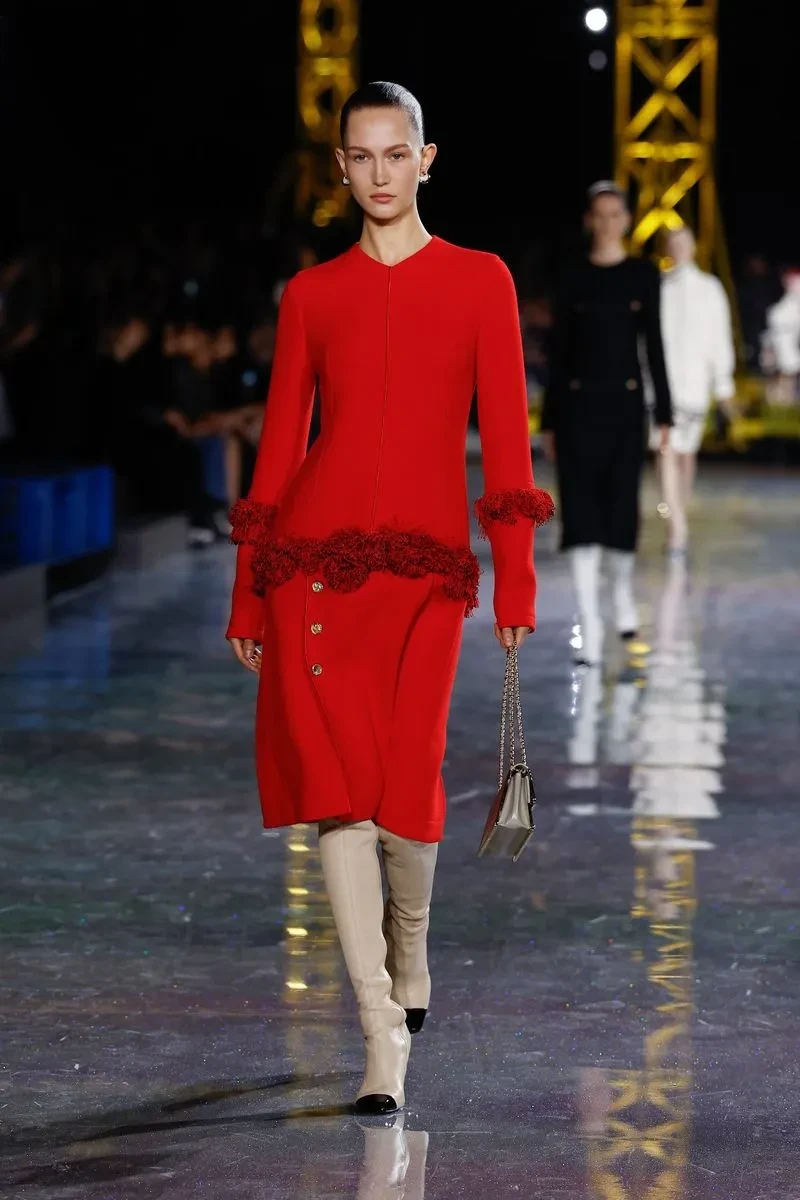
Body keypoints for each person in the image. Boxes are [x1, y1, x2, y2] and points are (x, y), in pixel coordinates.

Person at [226, 81, 553, 1114]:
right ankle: (378, 1032)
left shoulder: (480, 281)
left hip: (426, 577)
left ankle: (410, 949)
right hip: (313, 570)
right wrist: (247, 592)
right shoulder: (310, 295)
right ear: (340, 167)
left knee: (407, 784)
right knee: (338, 796)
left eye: (394, 152)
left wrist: (516, 573)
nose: (377, 172)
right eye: (359, 155)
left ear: (426, 158)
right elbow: (280, 447)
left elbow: (506, 438)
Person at [540, 181, 672, 666]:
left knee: (620, 508)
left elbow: (653, 343)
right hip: (577, 410)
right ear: (588, 220)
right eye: (600, 214)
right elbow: (559, 352)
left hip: (625, 408)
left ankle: (620, 594)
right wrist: (549, 420)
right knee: (579, 513)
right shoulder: (572, 276)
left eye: (617, 214)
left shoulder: (642, 275)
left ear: (627, 220)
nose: (609, 223)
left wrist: (665, 413)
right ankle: (589, 621)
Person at [651, 227, 735, 554]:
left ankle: (678, 510)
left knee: (686, 454)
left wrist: (723, 384)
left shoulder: (709, 289)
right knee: (666, 449)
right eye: (673, 244)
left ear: (693, 247)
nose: (679, 248)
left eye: (683, 243)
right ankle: (676, 525)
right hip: (663, 384)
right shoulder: (659, 287)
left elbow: (720, 337)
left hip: (695, 383)